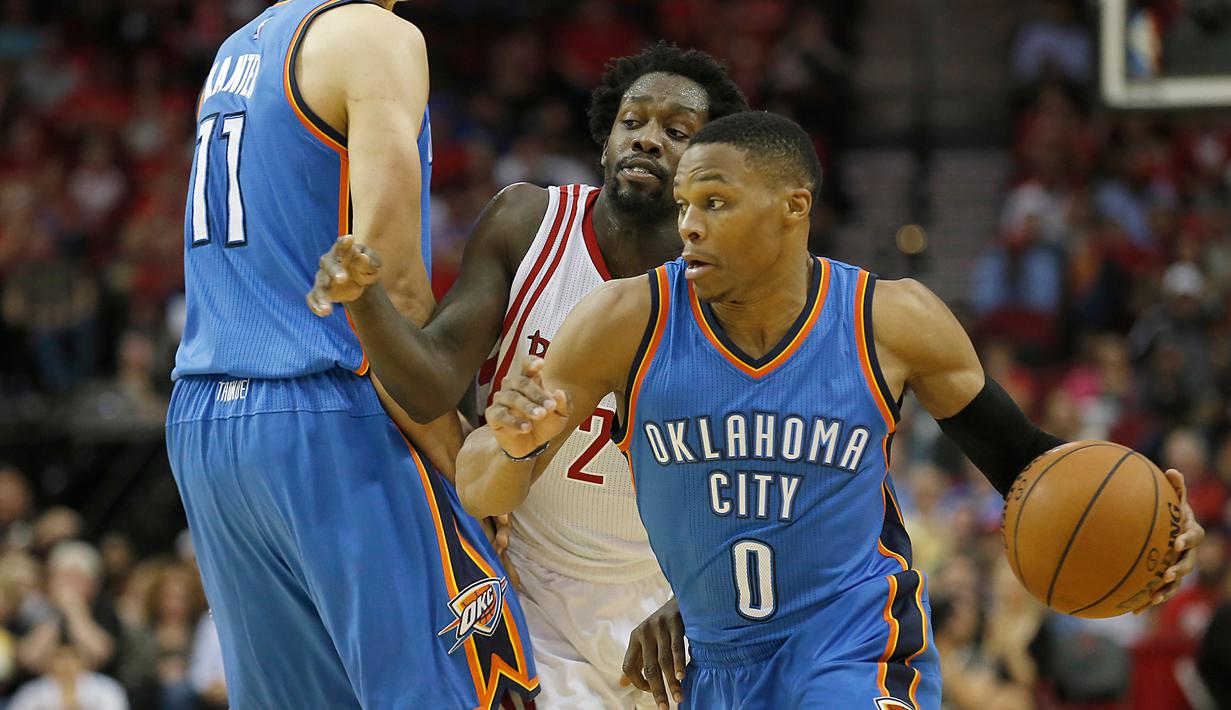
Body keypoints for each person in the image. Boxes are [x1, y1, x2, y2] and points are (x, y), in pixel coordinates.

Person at [455, 111, 1205, 708]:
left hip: (854, 650)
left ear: (793, 206)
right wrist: (516, 440)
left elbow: (1026, 461)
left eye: (714, 202)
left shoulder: (892, 321)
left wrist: (1153, 524)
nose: (688, 225)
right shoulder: (625, 318)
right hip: (714, 669)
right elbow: (482, 488)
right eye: (685, 204)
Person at [307, 42, 748, 708]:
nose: (649, 141)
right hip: (524, 583)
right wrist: (364, 299)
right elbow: (428, 386)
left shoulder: (729, 292)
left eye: (677, 133)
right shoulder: (529, 223)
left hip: (665, 603)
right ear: (605, 138)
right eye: (634, 122)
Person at [165, 1, 535, 708]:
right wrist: (464, 465)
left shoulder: (238, 50)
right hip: (330, 416)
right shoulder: (374, 35)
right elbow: (387, 280)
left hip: (208, 424)